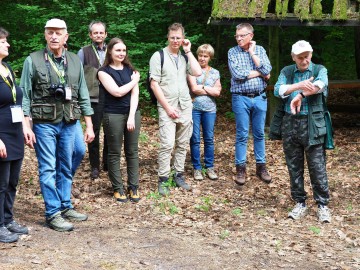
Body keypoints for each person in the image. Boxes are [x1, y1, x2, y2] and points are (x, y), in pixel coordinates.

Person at [20, 18, 95, 232]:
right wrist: (27, 125)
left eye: (58, 32)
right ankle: (53, 212)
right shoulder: (32, 60)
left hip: (70, 121)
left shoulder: (74, 60)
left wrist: (88, 125)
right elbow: (25, 95)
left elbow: (82, 93)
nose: (54, 36)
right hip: (44, 123)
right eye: (50, 32)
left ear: (66, 36)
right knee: (48, 167)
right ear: (45, 35)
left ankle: (64, 204)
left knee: (72, 158)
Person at [273, 40, 331, 223]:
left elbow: (320, 85)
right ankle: (300, 203)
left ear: (311, 55)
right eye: (300, 57)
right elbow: (278, 90)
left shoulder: (319, 69)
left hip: (313, 125)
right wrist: (299, 85)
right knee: (294, 167)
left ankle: (322, 205)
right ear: (293, 57)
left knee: (317, 167)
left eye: (306, 56)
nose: (304, 60)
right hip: (290, 124)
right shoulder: (287, 71)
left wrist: (300, 95)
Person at [149, 23, 202, 196]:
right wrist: (167, 108)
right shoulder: (158, 56)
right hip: (167, 106)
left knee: (182, 143)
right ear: (167, 37)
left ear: (183, 38)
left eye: (178, 37)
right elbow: (154, 84)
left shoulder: (184, 56)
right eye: (172, 37)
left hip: (185, 106)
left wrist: (188, 51)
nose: (175, 41)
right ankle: (163, 179)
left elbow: (197, 72)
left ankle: (178, 175)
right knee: (167, 144)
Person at [0, 27, 35, 243]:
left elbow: (17, 102)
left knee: (12, 181)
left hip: (14, 132)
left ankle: (7, 219)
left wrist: (26, 126)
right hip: (1, 135)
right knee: (0, 183)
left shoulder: (7, 67)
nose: (8, 44)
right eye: (2, 41)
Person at [228, 23, 272, 186]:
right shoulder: (232, 51)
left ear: (250, 36)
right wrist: (260, 73)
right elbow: (237, 74)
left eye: (242, 35)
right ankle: (241, 169)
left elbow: (268, 69)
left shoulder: (259, 50)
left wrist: (253, 54)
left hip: (260, 98)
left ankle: (261, 167)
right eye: (237, 36)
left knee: (259, 133)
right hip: (241, 98)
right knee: (242, 134)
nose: (238, 38)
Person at [97, 38, 141, 203]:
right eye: (118, 50)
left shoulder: (130, 69)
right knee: (114, 152)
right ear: (110, 52)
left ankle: (133, 186)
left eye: (124, 50)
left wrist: (131, 116)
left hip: (132, 114)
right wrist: (134, 80)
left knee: (132, 151)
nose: (121, 53)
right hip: (112, 115)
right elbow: (117, 92)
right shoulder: (103, 72)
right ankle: (118, 188)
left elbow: (134, 94)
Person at [78, 21, 108, 179]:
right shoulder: (83, 52)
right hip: (93, 96)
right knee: (94, 131)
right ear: (90, 35)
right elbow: (77, 75)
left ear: (105, 34)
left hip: (111, 96)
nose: (98, 35)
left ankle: (108, 163)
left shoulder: (113, 50)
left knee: (110, 131)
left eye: (101, 32)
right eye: (95, 33)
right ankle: (94, 165)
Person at [187, 44, 221, 181]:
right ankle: (197, 168)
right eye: (200, 55)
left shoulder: (215, 72)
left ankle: (209, 167)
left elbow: (217, 92)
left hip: (210, 110)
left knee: (209, 139)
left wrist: (202, 87)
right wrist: (208, 89)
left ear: (210, 57)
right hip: (194, 108)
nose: (202, 58)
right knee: (194, 139)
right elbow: (194, 89)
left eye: (205, 56)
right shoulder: (191, 70)